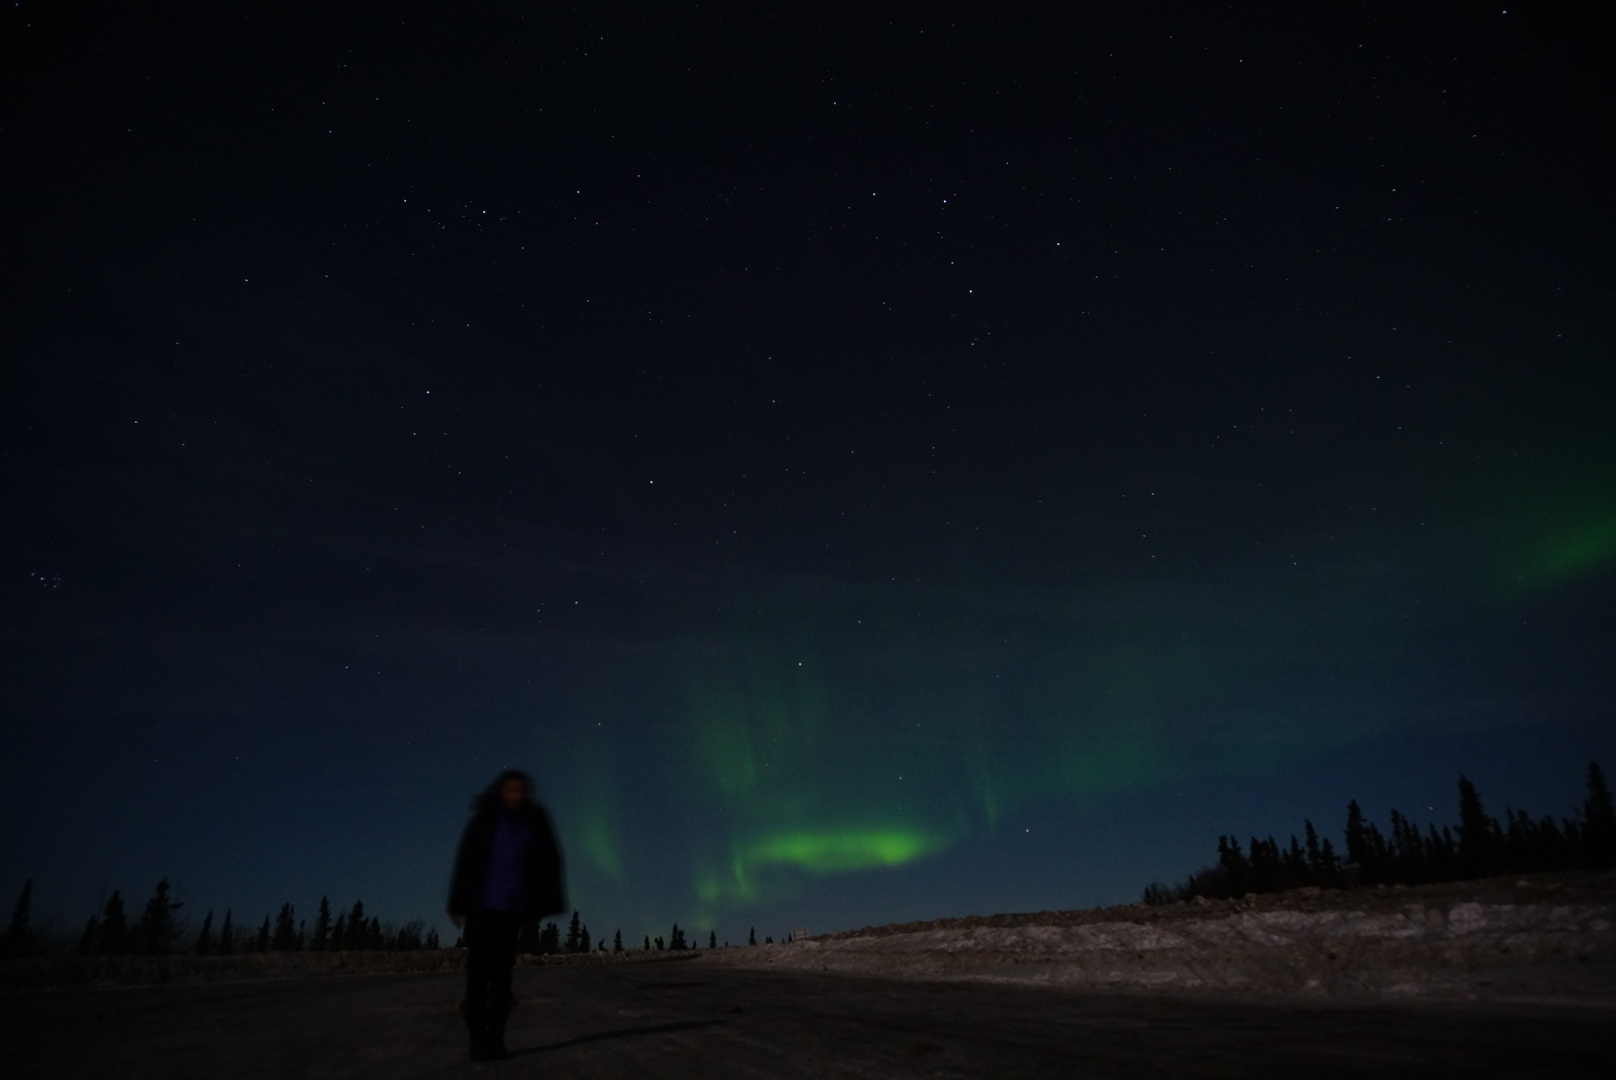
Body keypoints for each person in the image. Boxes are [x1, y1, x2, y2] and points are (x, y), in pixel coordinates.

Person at [448, 769, 565, 1061]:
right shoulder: (485, 820)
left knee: (502, 981)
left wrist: (540, 904)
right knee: (477, 978)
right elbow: (467, 860)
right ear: (500, 792)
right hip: (482, 910)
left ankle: (496, 1039)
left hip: (513, 911)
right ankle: (477, 1041)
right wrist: (457, 903)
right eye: (510, 790)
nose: (515, 795)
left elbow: (548, 862)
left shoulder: (534, 822)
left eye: (520, 791)